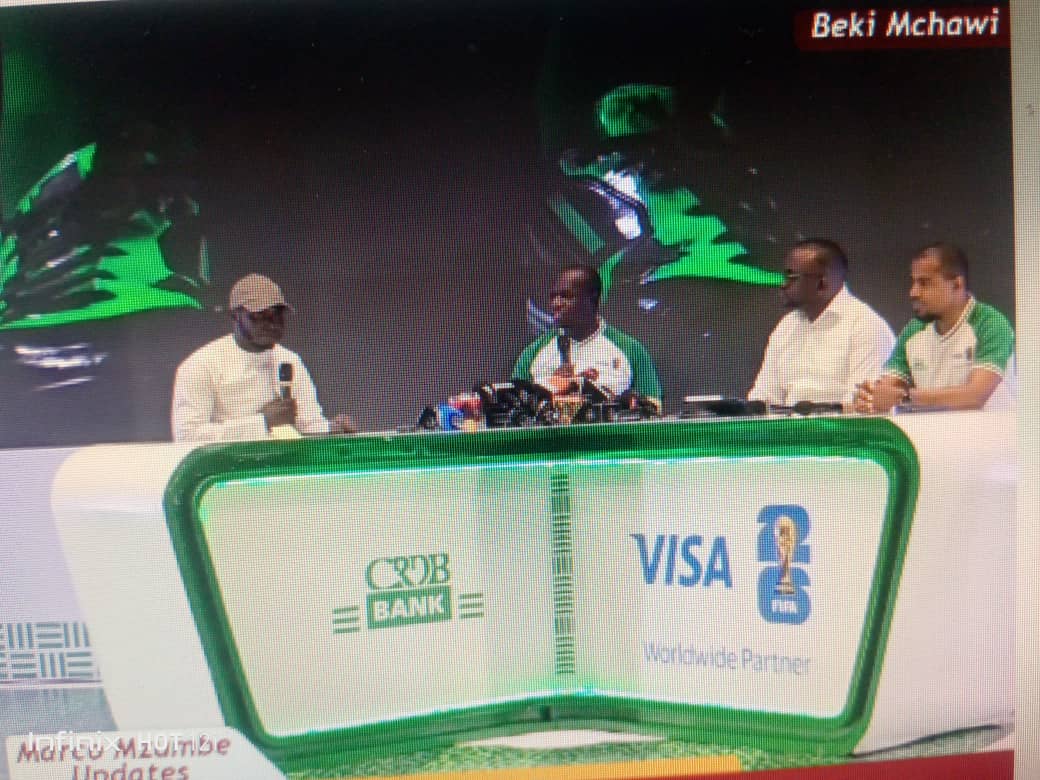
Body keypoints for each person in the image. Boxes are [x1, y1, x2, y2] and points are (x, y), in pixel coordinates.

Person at [171, 274, 354, 442]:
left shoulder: (289, 359)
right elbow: (187, 436)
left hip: (283, 461)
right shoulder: (201, 365)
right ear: (235, 317)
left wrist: (331, 430)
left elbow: (308, 424)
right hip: (227, 464)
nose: (271, 324)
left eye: (277, 315)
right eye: (259, 315)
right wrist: (263, 422)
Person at [853, 243, 1015, 413]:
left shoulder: (990, 323)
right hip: (932, 429)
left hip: (989, 428)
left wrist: (904, 398)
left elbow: (975, 396)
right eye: (914, 282)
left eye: (924, 283)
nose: (913, 292)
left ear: (956, 284)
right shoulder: (914, 329)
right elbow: (887, 387)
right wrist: (871, 396)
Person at [748, 239, 895, 409]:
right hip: (788, 425)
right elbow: (764, 395)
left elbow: (861, 406)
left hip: (841, 426)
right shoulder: (786, 326)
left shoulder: (866, 326)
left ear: (822, 283)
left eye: (792, 277)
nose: (783, 285)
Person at [513, 264, 662, 406]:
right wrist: (549, 390)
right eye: (553, 297)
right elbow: (513, 406)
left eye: (566, 296)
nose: (556, 304)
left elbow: (653, 407)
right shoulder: (533, 353)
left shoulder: (629, 349)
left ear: (592, 298)